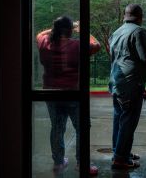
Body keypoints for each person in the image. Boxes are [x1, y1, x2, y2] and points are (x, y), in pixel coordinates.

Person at [36, 16, 100, 175]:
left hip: (51, 93)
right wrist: (82, 29)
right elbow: (96, 45)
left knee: (57, 128)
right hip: (73, 93)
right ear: (71, 30)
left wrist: (56, 28)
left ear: (55, 29)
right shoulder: (77, 46)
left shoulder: (44, 43)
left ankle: (58, 162)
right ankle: (82, 162)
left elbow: (39, 35)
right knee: (82, 127)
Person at [109, 4, 146, 169]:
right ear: (140, 16)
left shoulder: (117, 32)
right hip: (130, 86)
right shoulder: (138, 32)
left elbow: (123, 59)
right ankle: (120, 158)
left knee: (119, 120)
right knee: (128, 122)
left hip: (117, 83)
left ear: (125, 15)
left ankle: (120, 151)